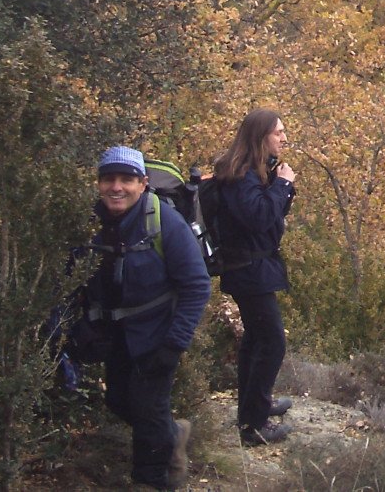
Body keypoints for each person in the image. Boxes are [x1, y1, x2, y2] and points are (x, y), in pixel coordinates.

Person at [87, 145, 210, 489]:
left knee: (146, 409)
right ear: (98, 184)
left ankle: (153, 481)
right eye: (108, 179)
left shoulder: (164, 222)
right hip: (116, 336)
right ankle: (175, 433)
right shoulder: (91, 222)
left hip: (159, 334)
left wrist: (174, 343)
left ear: (142, 183)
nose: (117, 187)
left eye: (126, 179)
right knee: (118, 401)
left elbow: (197, 285)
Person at [211, 107, 296, 446]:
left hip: (252, 267)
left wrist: (279, 185)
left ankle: (252, 409)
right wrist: (284, 185)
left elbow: (269, 217)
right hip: (248, 269)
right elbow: (260, 217)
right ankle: (254, 424)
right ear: (261, 136)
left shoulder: (253, 172)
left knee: (255, 339)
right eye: (278, 133)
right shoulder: (240, 174)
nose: (284, 139)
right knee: (272, 341)